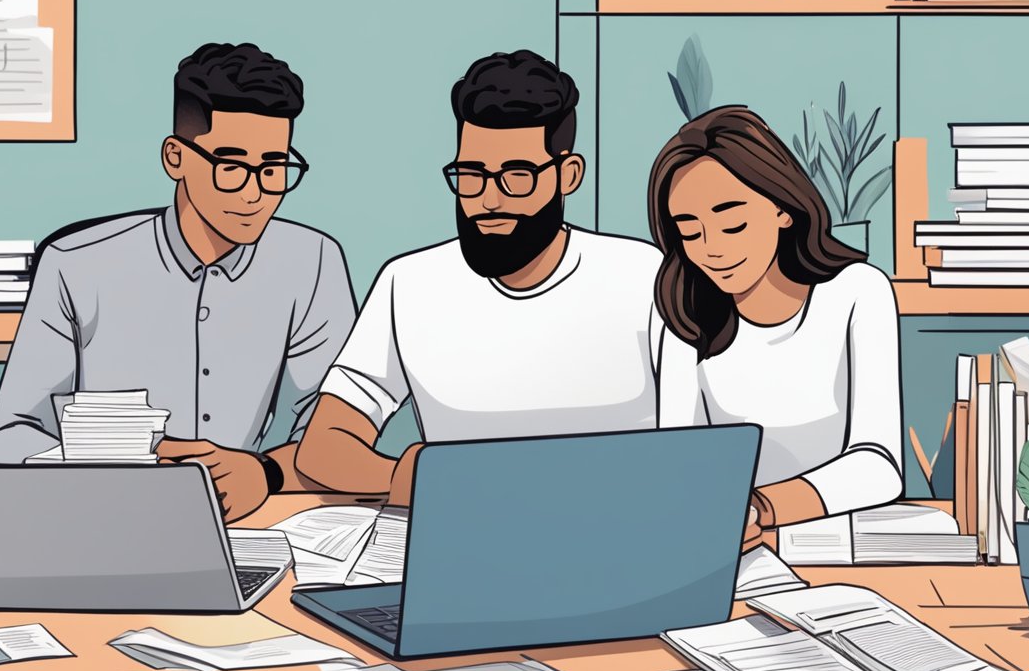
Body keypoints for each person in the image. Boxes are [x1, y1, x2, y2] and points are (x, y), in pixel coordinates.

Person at [0, 42, 356, 522]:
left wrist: (264, 473)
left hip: (242, 526)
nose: (255, 192)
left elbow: (335, 437)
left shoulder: (313, 261)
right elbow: (11, 436)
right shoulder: (76, 264)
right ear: (175, 157)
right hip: (102, 521)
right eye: (231, 167)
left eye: (273, 168)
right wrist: (134, 464)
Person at [296, 50, 662, 503]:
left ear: (568, 174)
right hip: (460, 542)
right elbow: (322, 447)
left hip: (620, 530)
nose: (488, 200)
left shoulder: (642, 278)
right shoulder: (409, 284)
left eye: (517, 176)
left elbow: (707, 440)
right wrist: (408, 476)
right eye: (472, 175)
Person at [650, 105, 902, 549]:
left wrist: (761, 508)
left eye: (733, 224)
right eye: (690, 233)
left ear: (783, 208)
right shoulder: (685, 316)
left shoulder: (857, 292)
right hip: (731, 556)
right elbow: (677, 466)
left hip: (842, 550)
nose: (712, 250)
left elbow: (880, 465)